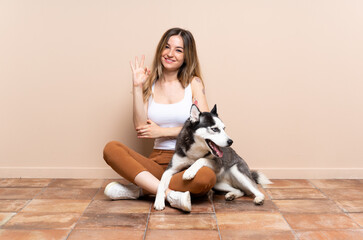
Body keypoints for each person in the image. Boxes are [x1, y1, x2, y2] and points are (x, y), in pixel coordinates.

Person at [103, 28, 216, 212]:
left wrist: (162, 131)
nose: (170, 54)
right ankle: (169, 194)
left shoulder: (193, 83)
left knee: (205, 178)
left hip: (189, 161)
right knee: (111, 149)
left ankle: (143, 190)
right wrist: (137, 86)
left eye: (178, 50)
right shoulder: (151, 84)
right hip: (158, 161)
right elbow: (140, 127)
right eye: (167, 47)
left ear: (187, 56)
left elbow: (206, 128)